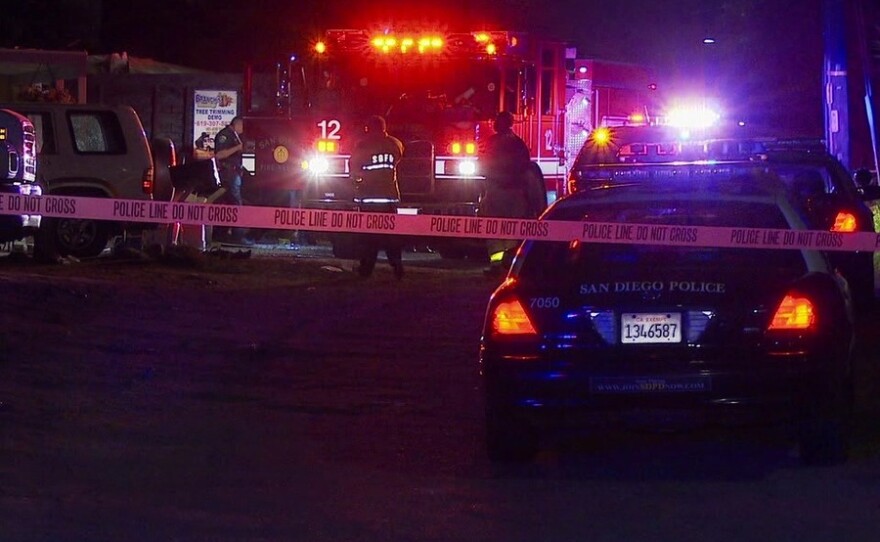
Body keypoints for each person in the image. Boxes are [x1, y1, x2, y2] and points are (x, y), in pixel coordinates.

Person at [349, 115, 405, 279]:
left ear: (369, 128)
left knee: (368, 238)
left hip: (369, 199)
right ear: (384, 128)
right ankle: (397, 268)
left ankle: (365, 270)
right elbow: (399, 158)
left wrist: (357, 183)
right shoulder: (395, 143)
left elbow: (354, 168)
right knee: (391, 237)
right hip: (389, 199)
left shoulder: (363, 145)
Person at [479, 110, 533, 276]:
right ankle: (508, 265)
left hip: (496, 191)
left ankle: (496, 264)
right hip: (515, 193)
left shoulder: (492, 142)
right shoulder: (518, 143)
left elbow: (483, 164)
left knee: (494, 228)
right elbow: (526, 166)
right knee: (512, 229)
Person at [213, 116, 251, 244]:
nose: (244, 130)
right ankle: (237, 236)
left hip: (234, 173)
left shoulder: (235, 136)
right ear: (237, 124)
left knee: (227, 205)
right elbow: (219, 155)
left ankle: (221, 234)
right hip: (228, 173)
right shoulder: (225, 135)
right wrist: (237, 148)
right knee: (236, 204)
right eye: (243, 126)